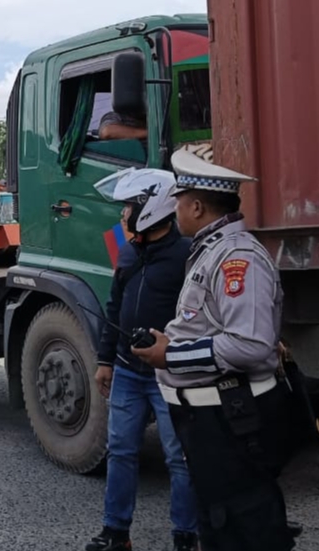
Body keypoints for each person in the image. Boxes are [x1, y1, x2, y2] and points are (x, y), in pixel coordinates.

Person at [132, 148, 296, 551]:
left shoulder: (236, 257)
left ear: (199, 205)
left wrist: (170, 356)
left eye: (180, 200)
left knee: (243, 526)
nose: (175, 208)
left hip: (231, 418)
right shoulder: (213, 249)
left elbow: (250, 344)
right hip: (213, 418)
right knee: (220, 522)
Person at [87, 168, 197, 551]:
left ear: (151, 208)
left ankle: (186, 536)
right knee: (120, 451)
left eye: (129, 207)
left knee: (180, 458)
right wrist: (105, 360)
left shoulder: (188, 254)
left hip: (170, 375)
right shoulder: (126, 248)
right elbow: (114, 305)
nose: (122, 215)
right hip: (127, 371)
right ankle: (116, 533)